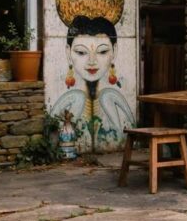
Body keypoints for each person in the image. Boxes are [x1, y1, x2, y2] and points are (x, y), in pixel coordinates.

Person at [51, 15, 134, 149]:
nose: (92, 61)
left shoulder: (110, 98)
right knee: (78, 97)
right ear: (68, 53)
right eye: (81, 52)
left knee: (107, 96)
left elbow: (130, 127)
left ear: (114, 52)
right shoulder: (73, 99)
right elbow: (50, 128)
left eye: (102, 51)